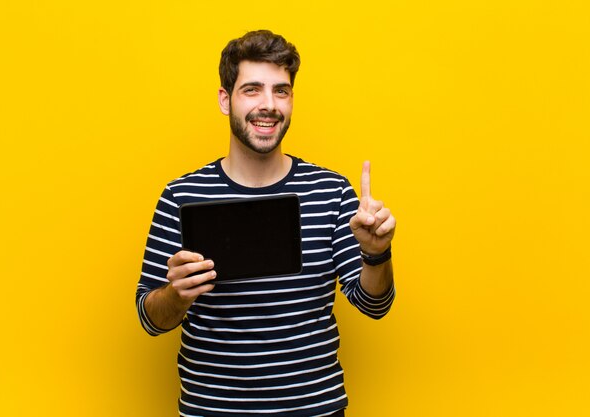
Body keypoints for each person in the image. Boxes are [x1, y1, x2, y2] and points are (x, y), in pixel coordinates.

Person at [136, 30, 396, 417]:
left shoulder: (331, 191)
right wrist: (177, 294)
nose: (269, 105)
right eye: (252, 89)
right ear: (226, 100)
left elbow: (375, 304)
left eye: (282, 91)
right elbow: (149, 318)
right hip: (213, 410)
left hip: (314, 408)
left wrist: (376, 254)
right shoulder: (181, 195)